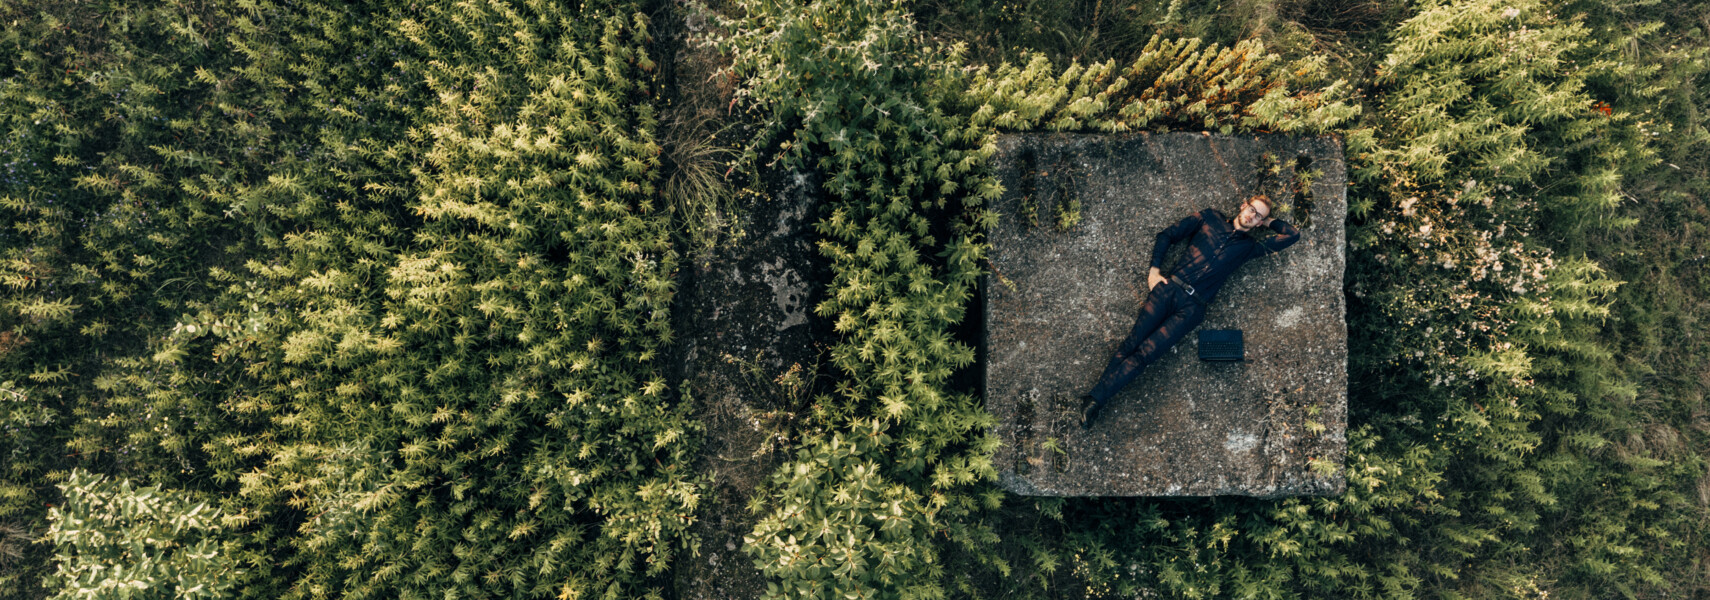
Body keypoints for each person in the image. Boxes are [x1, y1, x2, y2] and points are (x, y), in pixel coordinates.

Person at [1079, 194, 1300, 429]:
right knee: (1131, 343)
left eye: (1258, 216)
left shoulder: (1249, 248)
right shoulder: (1209, 218)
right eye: (1252, 210)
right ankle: (1095, 400)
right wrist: (1154, 270)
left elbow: (1293, 234)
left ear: (1259, 223)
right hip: (1168, 289)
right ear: (1243, 205)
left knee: (1146, 354)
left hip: (1193, 309)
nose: (1251, 216)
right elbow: (1167, 235)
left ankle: (1094, 400)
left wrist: (1267, 222)